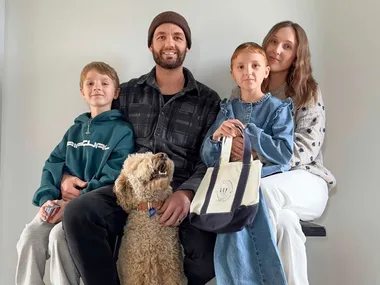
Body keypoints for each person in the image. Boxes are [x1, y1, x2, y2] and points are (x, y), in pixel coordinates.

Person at [62, 11, 221, 285]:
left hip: (179, 192)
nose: (169, 43)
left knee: (208, 253)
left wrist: (186, 193)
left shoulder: (208, 100)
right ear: (151, 46)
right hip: (127, 190)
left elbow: (210, 158)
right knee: (79, 213)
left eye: (177, 37)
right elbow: (96, 136)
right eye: (161, 37)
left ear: (187, 46)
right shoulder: (128, 92)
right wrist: (66, 176)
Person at [230, 21, 336, 285]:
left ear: (297, 55)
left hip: (307, 180)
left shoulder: (307, 90)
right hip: (264, 182)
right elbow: (233, 144)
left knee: (260, 192)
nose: (277, 50)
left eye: (287, 46)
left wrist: (255, 153)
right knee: (286, 225)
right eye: (274, 41)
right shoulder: (243, 90)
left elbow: (306, 148)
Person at [15, 61, 135, 285]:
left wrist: (77, 199)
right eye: (90, 83)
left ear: (116, 92)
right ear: (82, 92)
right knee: (30, 236)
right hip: (56, 204)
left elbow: (115, 174)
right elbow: (53, 163)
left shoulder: (122, 131)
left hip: (84, 209)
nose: (97, 87)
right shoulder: (74, 131)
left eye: (104, 83)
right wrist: (46, 198)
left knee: (59, 237)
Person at [201, 42, 293, 285]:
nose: (248, 71)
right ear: (233, 73)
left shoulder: (278, 109)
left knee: (251, 200)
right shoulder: (227, 109)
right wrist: (216, 137)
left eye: (255, 65)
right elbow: (209, 157)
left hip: (264, 178)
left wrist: (252, 135)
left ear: (266, 72)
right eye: (241, 66)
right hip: (231, 182)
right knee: (230, 213)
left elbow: (284, 153)